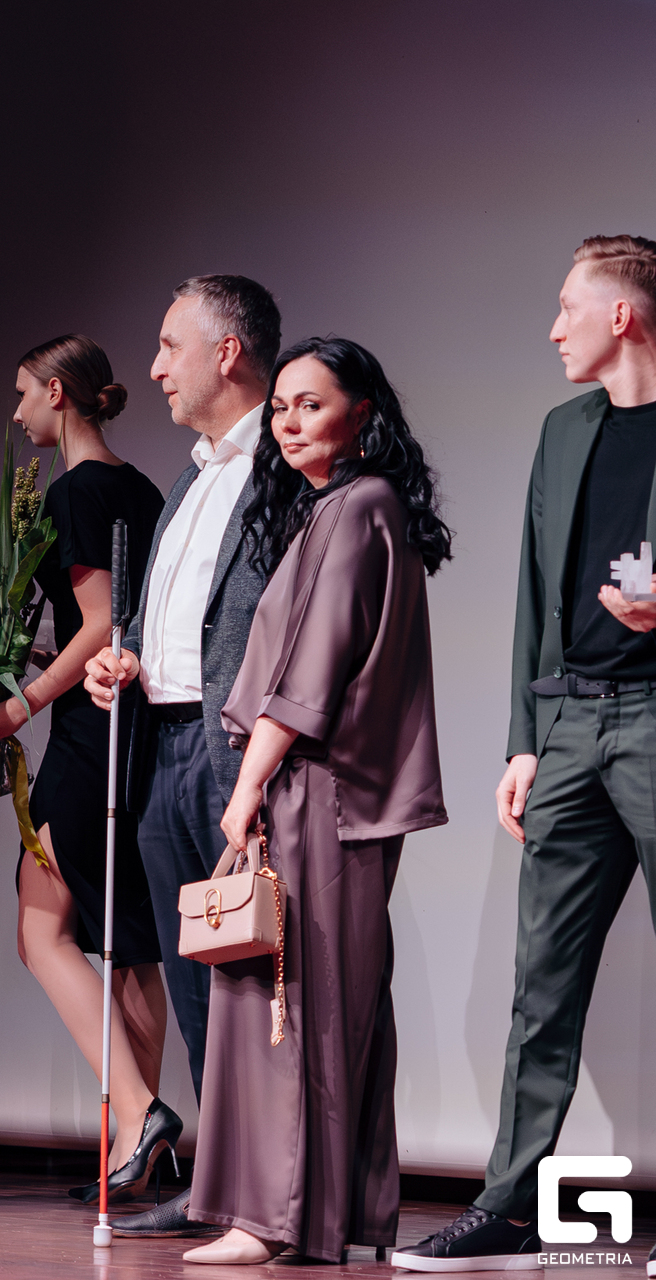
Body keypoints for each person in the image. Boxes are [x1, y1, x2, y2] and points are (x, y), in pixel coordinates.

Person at [394, 235, 656, 1274]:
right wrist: (523, 739)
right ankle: (509, 1209)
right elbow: (532, 592)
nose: (553, 329)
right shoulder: (564, 430)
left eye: (568, 308)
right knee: (541, 982)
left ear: (623, 316)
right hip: (571, 726)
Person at [179, 336, 450, 1265]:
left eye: (312, 405)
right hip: (320, 790)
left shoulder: (357, 507)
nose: (290, 424)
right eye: (282, 408)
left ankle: (277, 1220)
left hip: (315, 793)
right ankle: (327, 1218)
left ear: (361, 414)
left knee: (292, 1000)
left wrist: (249, 782)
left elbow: (312, 671)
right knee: (321, 1000)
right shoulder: (345, 508)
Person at [83, 275, 280, 1236]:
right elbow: (178, 617)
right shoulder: (195, 476)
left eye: (170, 345)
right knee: (197, 979)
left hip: (230, 747)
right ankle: (222, 1188)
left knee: (259, 978)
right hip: (161, 743)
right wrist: (125, 655)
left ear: (226, 352)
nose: (156, 367)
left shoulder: (281, 467)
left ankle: (276, 1196)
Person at [0, 335, 174, 1205]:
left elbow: (99, 624)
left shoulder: (75, 490)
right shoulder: (145, 488)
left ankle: (141, 1115)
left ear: (57, 393)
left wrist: (22, 702)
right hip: (137, 723)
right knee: (131, 941)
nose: (19, 411)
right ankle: (139, 1147)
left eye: (25, 393)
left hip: (92, 730)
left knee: (41, 929)